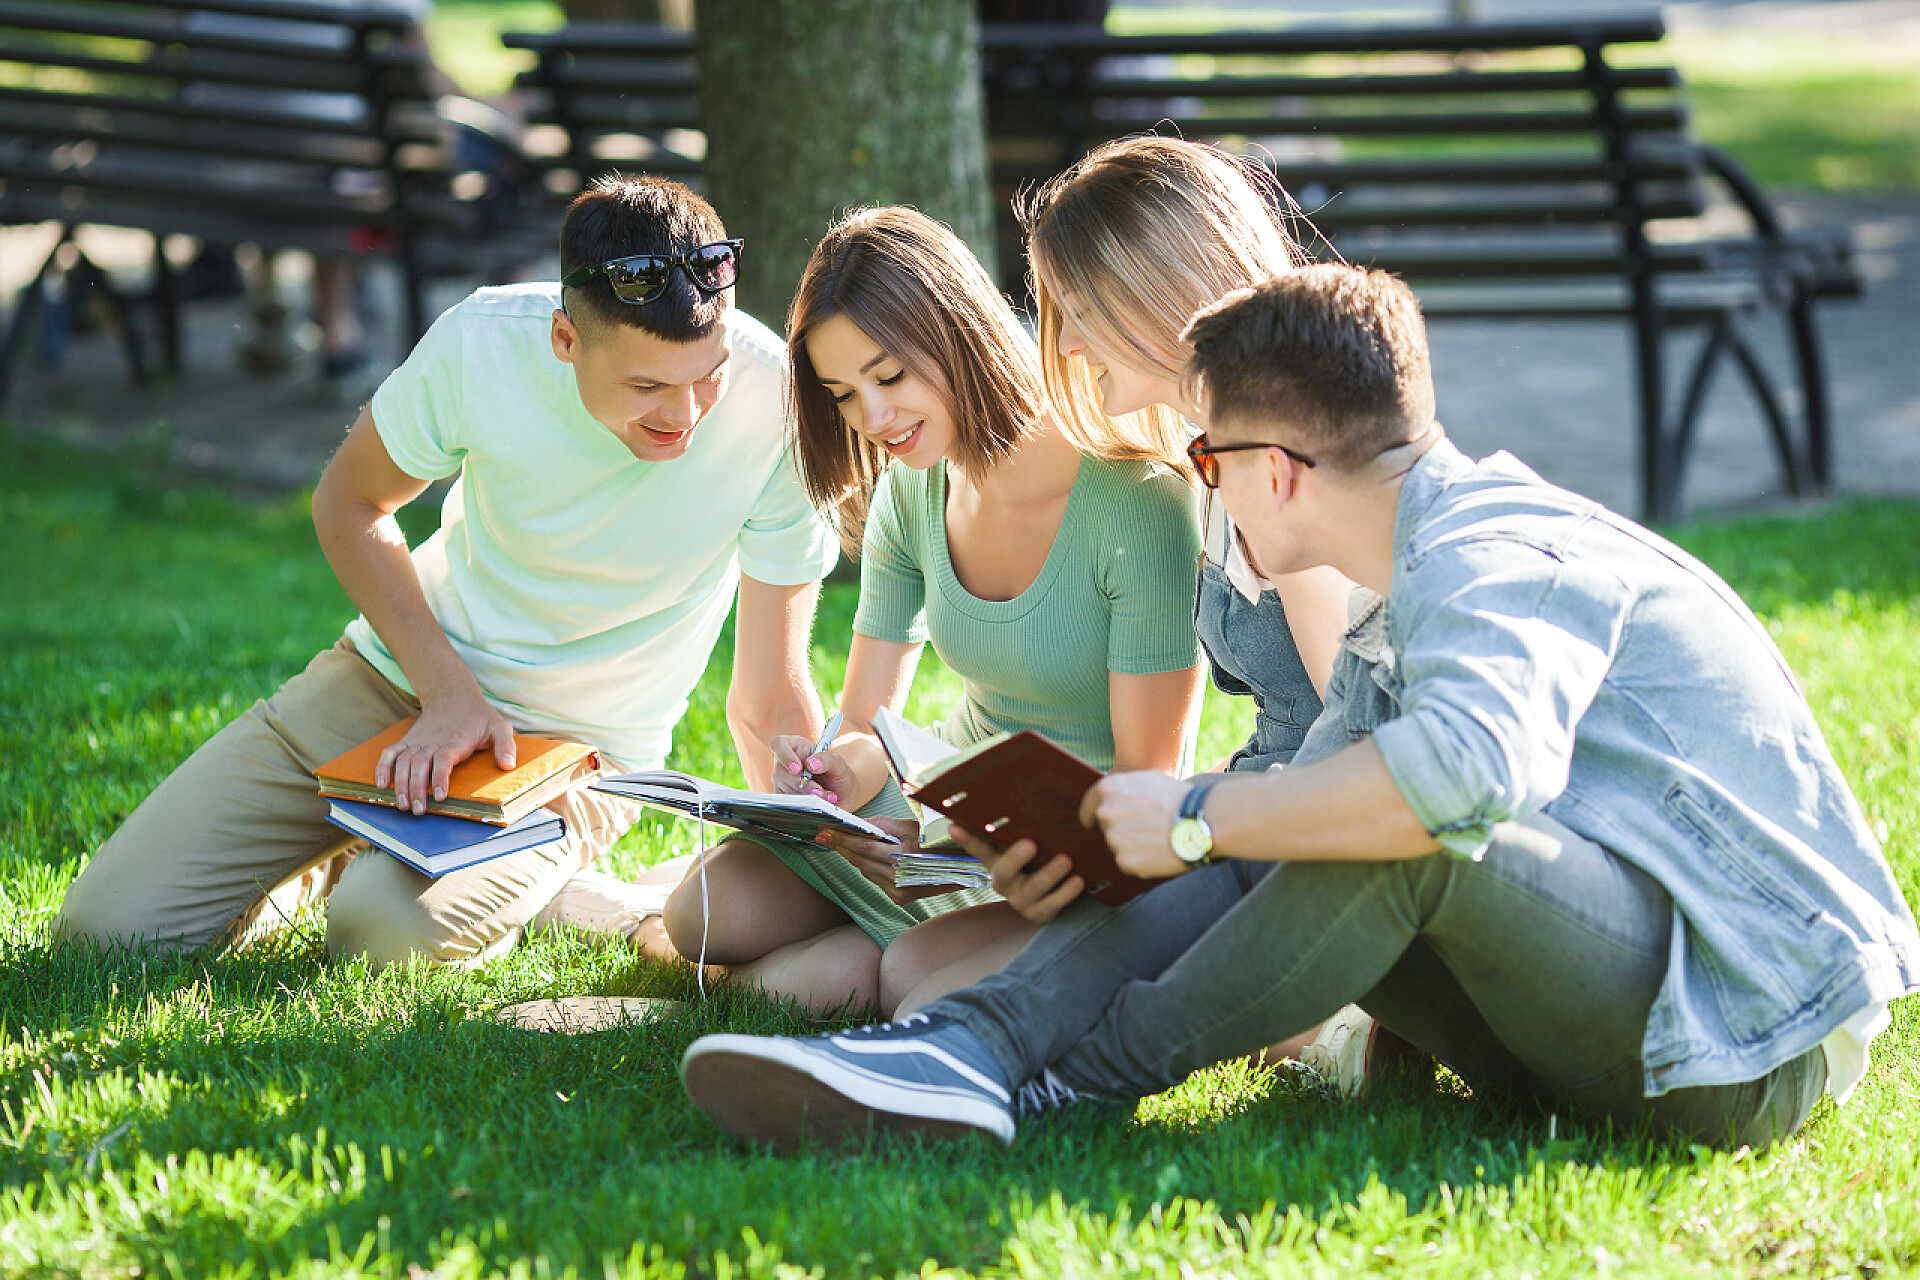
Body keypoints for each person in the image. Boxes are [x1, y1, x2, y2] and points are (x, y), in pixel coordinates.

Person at [677, 265, 1920, 1152]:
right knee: (1287, 824)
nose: (1199, 488)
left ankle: (1048, 1078)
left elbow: (1466, 775)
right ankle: (975, 1048)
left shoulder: (1503, 553)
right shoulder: (1399, 596)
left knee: (1402, 822)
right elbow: (1256, 842)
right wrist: (1212, 823)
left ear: (1273, 467)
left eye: (1205, 457)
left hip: (1738, 1046)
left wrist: (1206, 807)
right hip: (1590, 1021)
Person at [55, 175, 839, 967]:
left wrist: (803, 847)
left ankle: (412, 866)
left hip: (571, 758)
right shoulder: (484, 341)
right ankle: (340, 848)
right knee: (104, 936)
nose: (684, 416)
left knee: (377, 935)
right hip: (392, 685)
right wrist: (450, 694)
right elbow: (350, 501)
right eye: (647, 386)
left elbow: (770, 687)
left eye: (708, 376)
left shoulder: (779, 408)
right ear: (567, 340)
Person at [659, 206, 1205, 1015]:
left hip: (1070, 852)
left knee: (883, 980)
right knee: (704, 912)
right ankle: (825, 954)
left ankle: (844, 965)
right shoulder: (916, 487)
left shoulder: (1138, 505)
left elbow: (1147, 782)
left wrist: (984, 856)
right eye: (844, 394)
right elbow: (864, 717)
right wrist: (841, 773)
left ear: (957, 334)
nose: (873, 420)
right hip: (944, 817)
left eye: (890, 378)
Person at [1014, 135, 1383, 1081]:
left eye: (1085, 311)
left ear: (1170, 292)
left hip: (1307, 853)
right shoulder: (1215, 455)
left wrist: (1193, 827)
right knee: (948, 962)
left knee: (1005, 987)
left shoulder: (1279, 466)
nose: (1064, 344)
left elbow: (1355, 738)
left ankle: (1340, 1027)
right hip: (1258, 823)